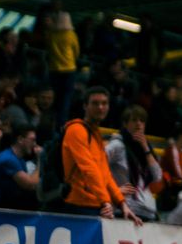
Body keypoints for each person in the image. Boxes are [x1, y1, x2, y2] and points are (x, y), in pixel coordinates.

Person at [55, 87, 140, 223]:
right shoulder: (76, 130)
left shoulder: (95, 135)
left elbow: (105, 174)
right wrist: (106, 201)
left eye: (104, 103)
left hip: (96, 205)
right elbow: (89, 169)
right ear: (85, 106)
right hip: (78, 206)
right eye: (95, 103)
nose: (100, 107)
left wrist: (121, 203)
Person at [105, 105, 162, 221]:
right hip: (125, 209)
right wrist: (115, 190)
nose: (139, 124)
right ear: (125, 124)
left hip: (147, 210)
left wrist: (146, 148)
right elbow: (97, 167)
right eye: (134, 120)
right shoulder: (117, 145)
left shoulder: (147, 148)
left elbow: (157, 176)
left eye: (142, 121)